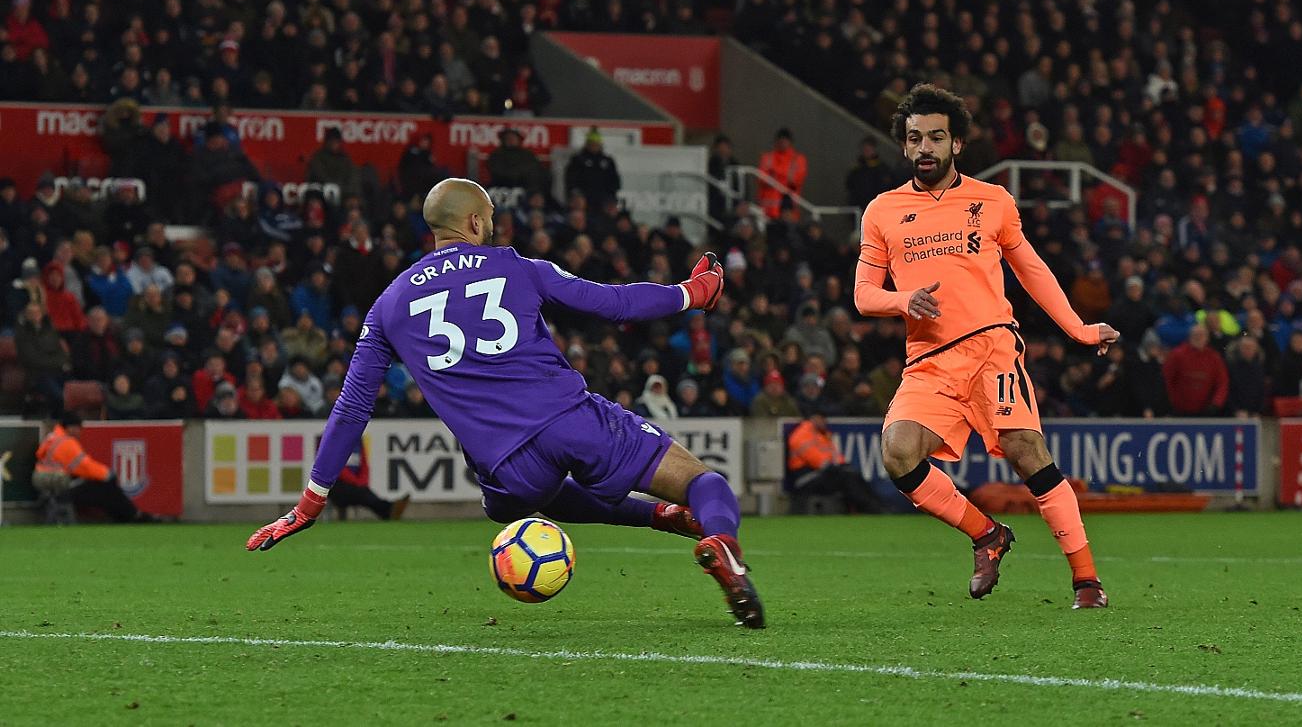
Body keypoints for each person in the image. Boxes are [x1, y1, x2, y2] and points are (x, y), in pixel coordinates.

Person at [246, 178, 764, 628]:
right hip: (572, 420)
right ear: (473, 222)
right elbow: (614, 303)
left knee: (526, 500)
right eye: (489, 218)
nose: (492, 226)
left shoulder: (389, 304)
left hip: (505, 468)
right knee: (705, 482)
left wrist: (309, 505)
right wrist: (694, 292)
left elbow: (352, 408)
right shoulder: (516, 266)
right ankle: (724, 547)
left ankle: (660, 519)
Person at [853, 85, 1116, 609]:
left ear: (957, 144)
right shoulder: (882, 211)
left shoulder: (993, 201)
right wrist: (904, 300)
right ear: (904, 148)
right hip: (928, 360)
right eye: (914, 138)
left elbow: (1031, 270)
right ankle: (986, 535)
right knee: (898, 452)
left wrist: (1080, 330)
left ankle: (1086, 581)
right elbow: (863, 296)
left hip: (991, 347)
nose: (924, 147)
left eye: (935, 137)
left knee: (1025, 451)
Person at [33, 414, 144, 523]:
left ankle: (128, 516)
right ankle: (132, 516)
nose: (80, 432)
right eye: (79, 428)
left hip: (46, 482)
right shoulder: (67, 442)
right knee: (106, 486)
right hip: (61, 485)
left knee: (105, 488)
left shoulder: (51, 438)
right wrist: (107, 473)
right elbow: (85, 466)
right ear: (71, 428)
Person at [786, 413, 886, 514]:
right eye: (822, 419)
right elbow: (818, 460)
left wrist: (842, 466)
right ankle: (872, 509)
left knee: (853, 475)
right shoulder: (802, 434)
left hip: (820, 474)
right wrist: (837, 467)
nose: (824, 423)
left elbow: (834, 458)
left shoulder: (820, 435)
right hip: (806, 478)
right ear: (814, 418)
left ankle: (877, 506)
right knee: (847, 479)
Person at [328, 436, 411, 521]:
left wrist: (363, 480)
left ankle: (388, 510)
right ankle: (388, 510)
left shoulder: (357, 440)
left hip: (354, 485)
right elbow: (336, 467)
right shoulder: (333, 438)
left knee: (363, 492)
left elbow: (364, 463)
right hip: (335, 484)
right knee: (363, 493)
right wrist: (356, 482)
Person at [1163, 324, 1229, 416]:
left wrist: (1216, 403)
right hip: (1179, 411)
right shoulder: (1177, 355)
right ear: (1189, 337)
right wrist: (1169, 403)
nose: (1198, 338)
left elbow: (1222, 383)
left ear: (1207, 338)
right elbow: (1166, 380)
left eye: (1201, 335)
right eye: (1195, 335)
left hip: (1206, 411)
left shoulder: (1214, 357)